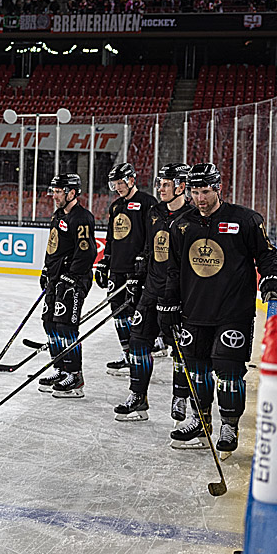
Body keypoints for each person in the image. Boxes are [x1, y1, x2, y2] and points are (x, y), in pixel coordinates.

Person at [162, 163, 277, 453]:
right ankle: (201, 421)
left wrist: (272, 281)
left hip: (233, 311)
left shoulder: (245, 220)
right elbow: (173, 268)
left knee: (229, 371)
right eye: (195, 192)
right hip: (194, 311)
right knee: (196, 370)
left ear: (219, 188)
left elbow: (267, 256)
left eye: (206, 191)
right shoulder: (182, 225)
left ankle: (229, 425)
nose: (200, 199)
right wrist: (168, 301)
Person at [113, 163, 195, 423]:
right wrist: (139, 275)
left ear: (181, 186)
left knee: (181, 350)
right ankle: (138, 397)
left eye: (166, 184)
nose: (160, 188)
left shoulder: (194, 217)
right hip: (152, 289)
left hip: (181, 295)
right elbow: (150, 249)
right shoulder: (155, 212)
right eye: (160, 183)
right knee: (138, 341)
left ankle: (180, 396)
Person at [95, 163, 159, 377]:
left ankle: (143, 351)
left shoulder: (148, 203)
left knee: (136, 312)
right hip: (117, 269)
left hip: (137, 270)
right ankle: (127, 354)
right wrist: (105, 261)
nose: (118, 187)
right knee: (118, 312)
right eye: (115, 184)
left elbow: (153, 235)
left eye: (121, 183)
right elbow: (112, 237)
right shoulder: (115, 206)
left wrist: (145, 257)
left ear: (132, 180)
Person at [37, 173, 97, 398]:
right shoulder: (58, 215)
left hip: (74, 280)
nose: (54, 195)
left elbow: (87, 250)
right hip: (56, 278)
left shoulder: (82, 218)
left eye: (58, 191)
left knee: (66, 327)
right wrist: (46, 269)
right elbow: (53, 245)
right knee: (49, 324)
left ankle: (75, 376)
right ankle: (61, 369)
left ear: (72, 193)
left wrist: (72, 276)